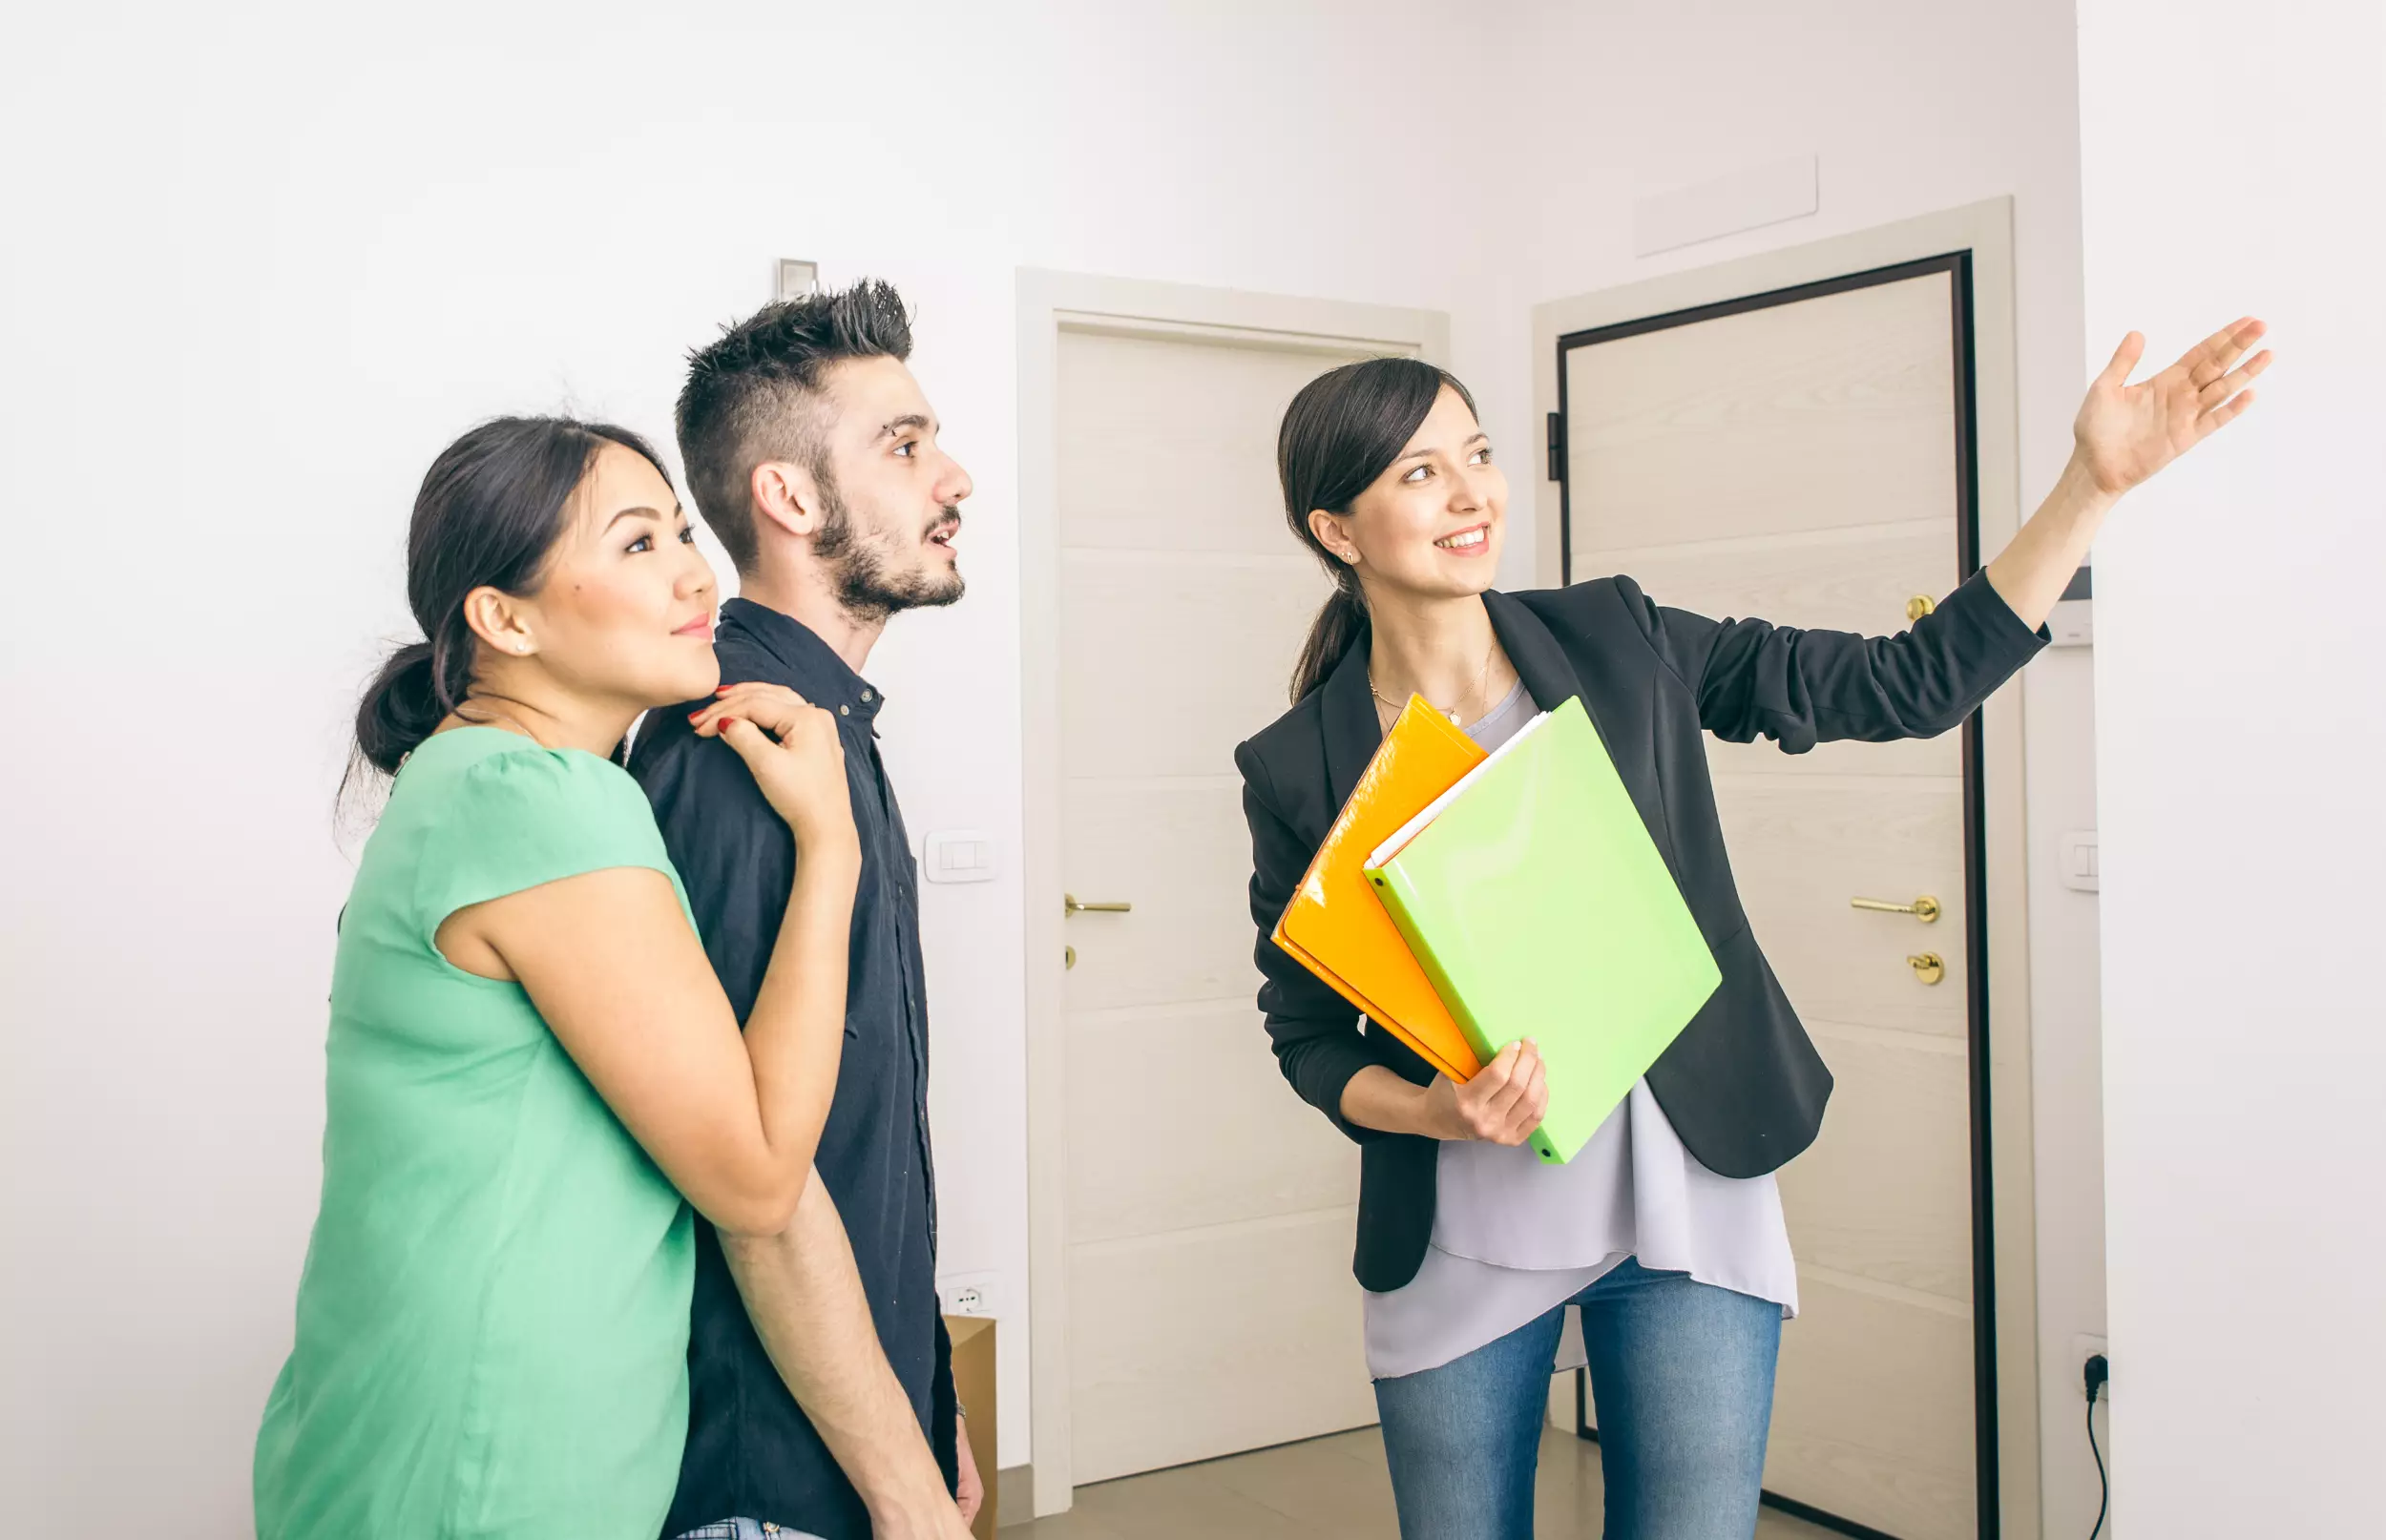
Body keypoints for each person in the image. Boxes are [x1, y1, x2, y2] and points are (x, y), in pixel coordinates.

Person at [1235, 320, 2269, 1540]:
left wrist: (2090, 487)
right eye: (1418, 472)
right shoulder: (1300, 767)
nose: (1471, 495)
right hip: (1461, 1220)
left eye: (1478, 452)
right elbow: (1304, 1033)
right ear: (1335, 531)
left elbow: (1904, 684)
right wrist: (1433, 1111)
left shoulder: (1617, 639)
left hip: (1688, 1184)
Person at [254, 416, 863, 1539]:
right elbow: (758, 1176)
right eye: (638, 544)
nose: (694, 571)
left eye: (682, 531)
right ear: (504, 618)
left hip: (423, 1438)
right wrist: (832, 846)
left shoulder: (473, 780)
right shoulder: (536, 802)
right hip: (488, 1466)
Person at [631, 280, 980, 1540]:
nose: (956, 475)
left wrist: (927, 1410)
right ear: (788, 498)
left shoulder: (826, 726)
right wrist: (899, 1481)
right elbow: (753, 1179)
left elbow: (867, 1129)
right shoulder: (736, 745)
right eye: (905, 444)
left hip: (855, 1449)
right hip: (769, 1485)